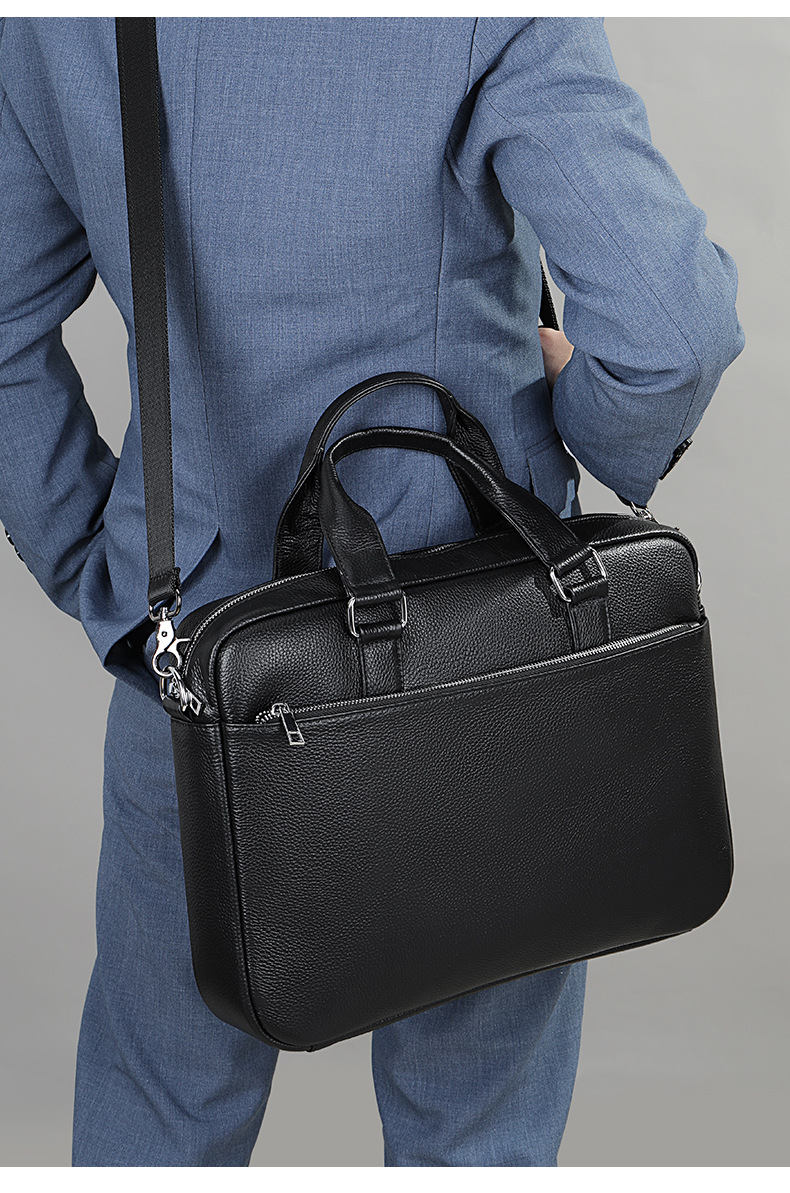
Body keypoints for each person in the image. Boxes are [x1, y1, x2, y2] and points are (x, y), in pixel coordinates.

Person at [0, 17, 744, 1167]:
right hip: (485, 647)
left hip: (199, 646)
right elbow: (671, 334)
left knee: (159, 1111)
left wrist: (94, 566)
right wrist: (590, 421)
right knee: (474, 1136)